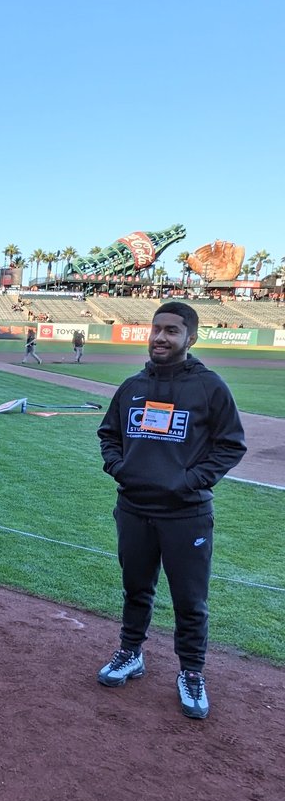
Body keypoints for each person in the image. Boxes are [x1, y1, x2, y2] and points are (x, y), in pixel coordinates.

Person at [95, 302, 246, 720]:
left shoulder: (210, 387)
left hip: (186, 514)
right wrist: (119, 467)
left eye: (172, 331)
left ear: (190, 338)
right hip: (134, 508)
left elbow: (230, 444)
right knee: (136, 589)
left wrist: (187, 481)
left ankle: (192, 672)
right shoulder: (131, 386)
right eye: (156, 329)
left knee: (190, 600)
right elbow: (108, 434)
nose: (160, 337)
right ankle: (131, 653)